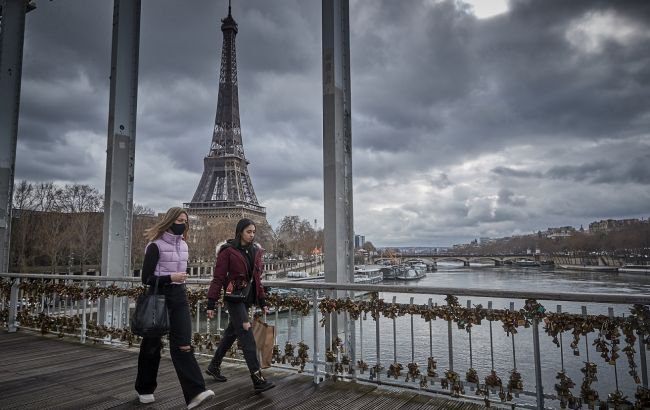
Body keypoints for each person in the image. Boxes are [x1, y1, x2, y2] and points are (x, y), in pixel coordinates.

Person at [135, 207, 214, 409]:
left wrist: (178, 280)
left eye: (185, 221)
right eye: (179, 220)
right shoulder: (155, 246)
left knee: (184, 344)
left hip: (179, 295)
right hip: (159, 295)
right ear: (169, 221)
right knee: (152, 344)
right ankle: (145, 388)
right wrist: (170, 277)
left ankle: (196, 392)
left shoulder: (185, 246)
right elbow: (146, 279)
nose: (183, 224)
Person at [205, 218, 275, 392]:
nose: (252, 235)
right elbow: (218, 278)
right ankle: (257, 379)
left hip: (247, 298)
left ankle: (214, 366)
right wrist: (211, 303)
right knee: (246, 334)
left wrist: (262, 301)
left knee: (231, 333)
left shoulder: (256, 251)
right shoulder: (227, 252)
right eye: (248, 232)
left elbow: (257, 279)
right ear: (240, 232)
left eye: (253, 232)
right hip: (234, 299)